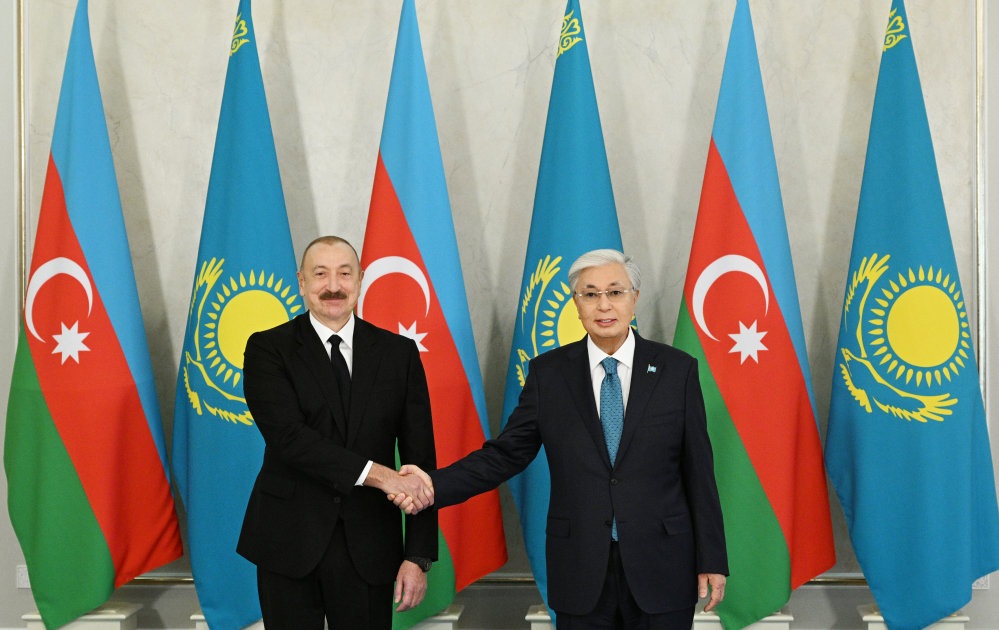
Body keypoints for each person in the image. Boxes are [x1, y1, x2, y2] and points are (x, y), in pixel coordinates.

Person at [394, 249, 728, 630]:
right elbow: (504, 456)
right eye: (590, 294)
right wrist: (431, 485)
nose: (604, 304)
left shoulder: (676, 371)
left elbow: (699, 472)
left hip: (663, 565)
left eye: (615, 292)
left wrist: (712, 559)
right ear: (576, 304)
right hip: (580, 569)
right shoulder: (549, 375)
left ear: (634, 298)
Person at [237, 236, 437, 630]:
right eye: (320, 274)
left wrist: (418, 555)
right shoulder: (267, 349)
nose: (333, 286)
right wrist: (381, 476)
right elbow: (289, 439)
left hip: (370, 544)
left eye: (345, 274)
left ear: (360, 280)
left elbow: (420, 461)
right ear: (301, 282)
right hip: (288, 541)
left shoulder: (399, 354)